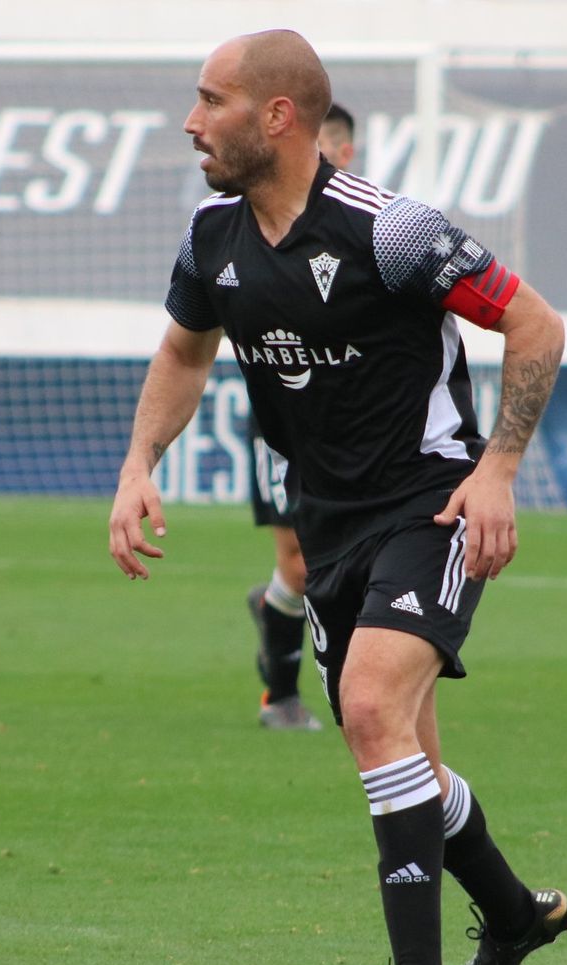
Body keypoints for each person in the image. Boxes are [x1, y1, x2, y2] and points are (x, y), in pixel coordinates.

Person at [107, 31, 567, 965]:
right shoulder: (210, 236)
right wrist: (139, 463)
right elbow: (183, 352)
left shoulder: (392, 232)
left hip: (432, 507)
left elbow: (534, 325)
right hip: (324, 529)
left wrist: (495, 472)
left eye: (209, 99)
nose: (191, 121)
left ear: (275, 116)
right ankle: (513, 916)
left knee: (367, 709)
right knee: (410, 764)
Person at [244, 102, 355, 733]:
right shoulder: (253, 227)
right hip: (281, 427)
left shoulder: (367, 228)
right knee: (302, 565)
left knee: (319, 568)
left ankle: (275, 609)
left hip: (348, 430)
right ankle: (279, 698)